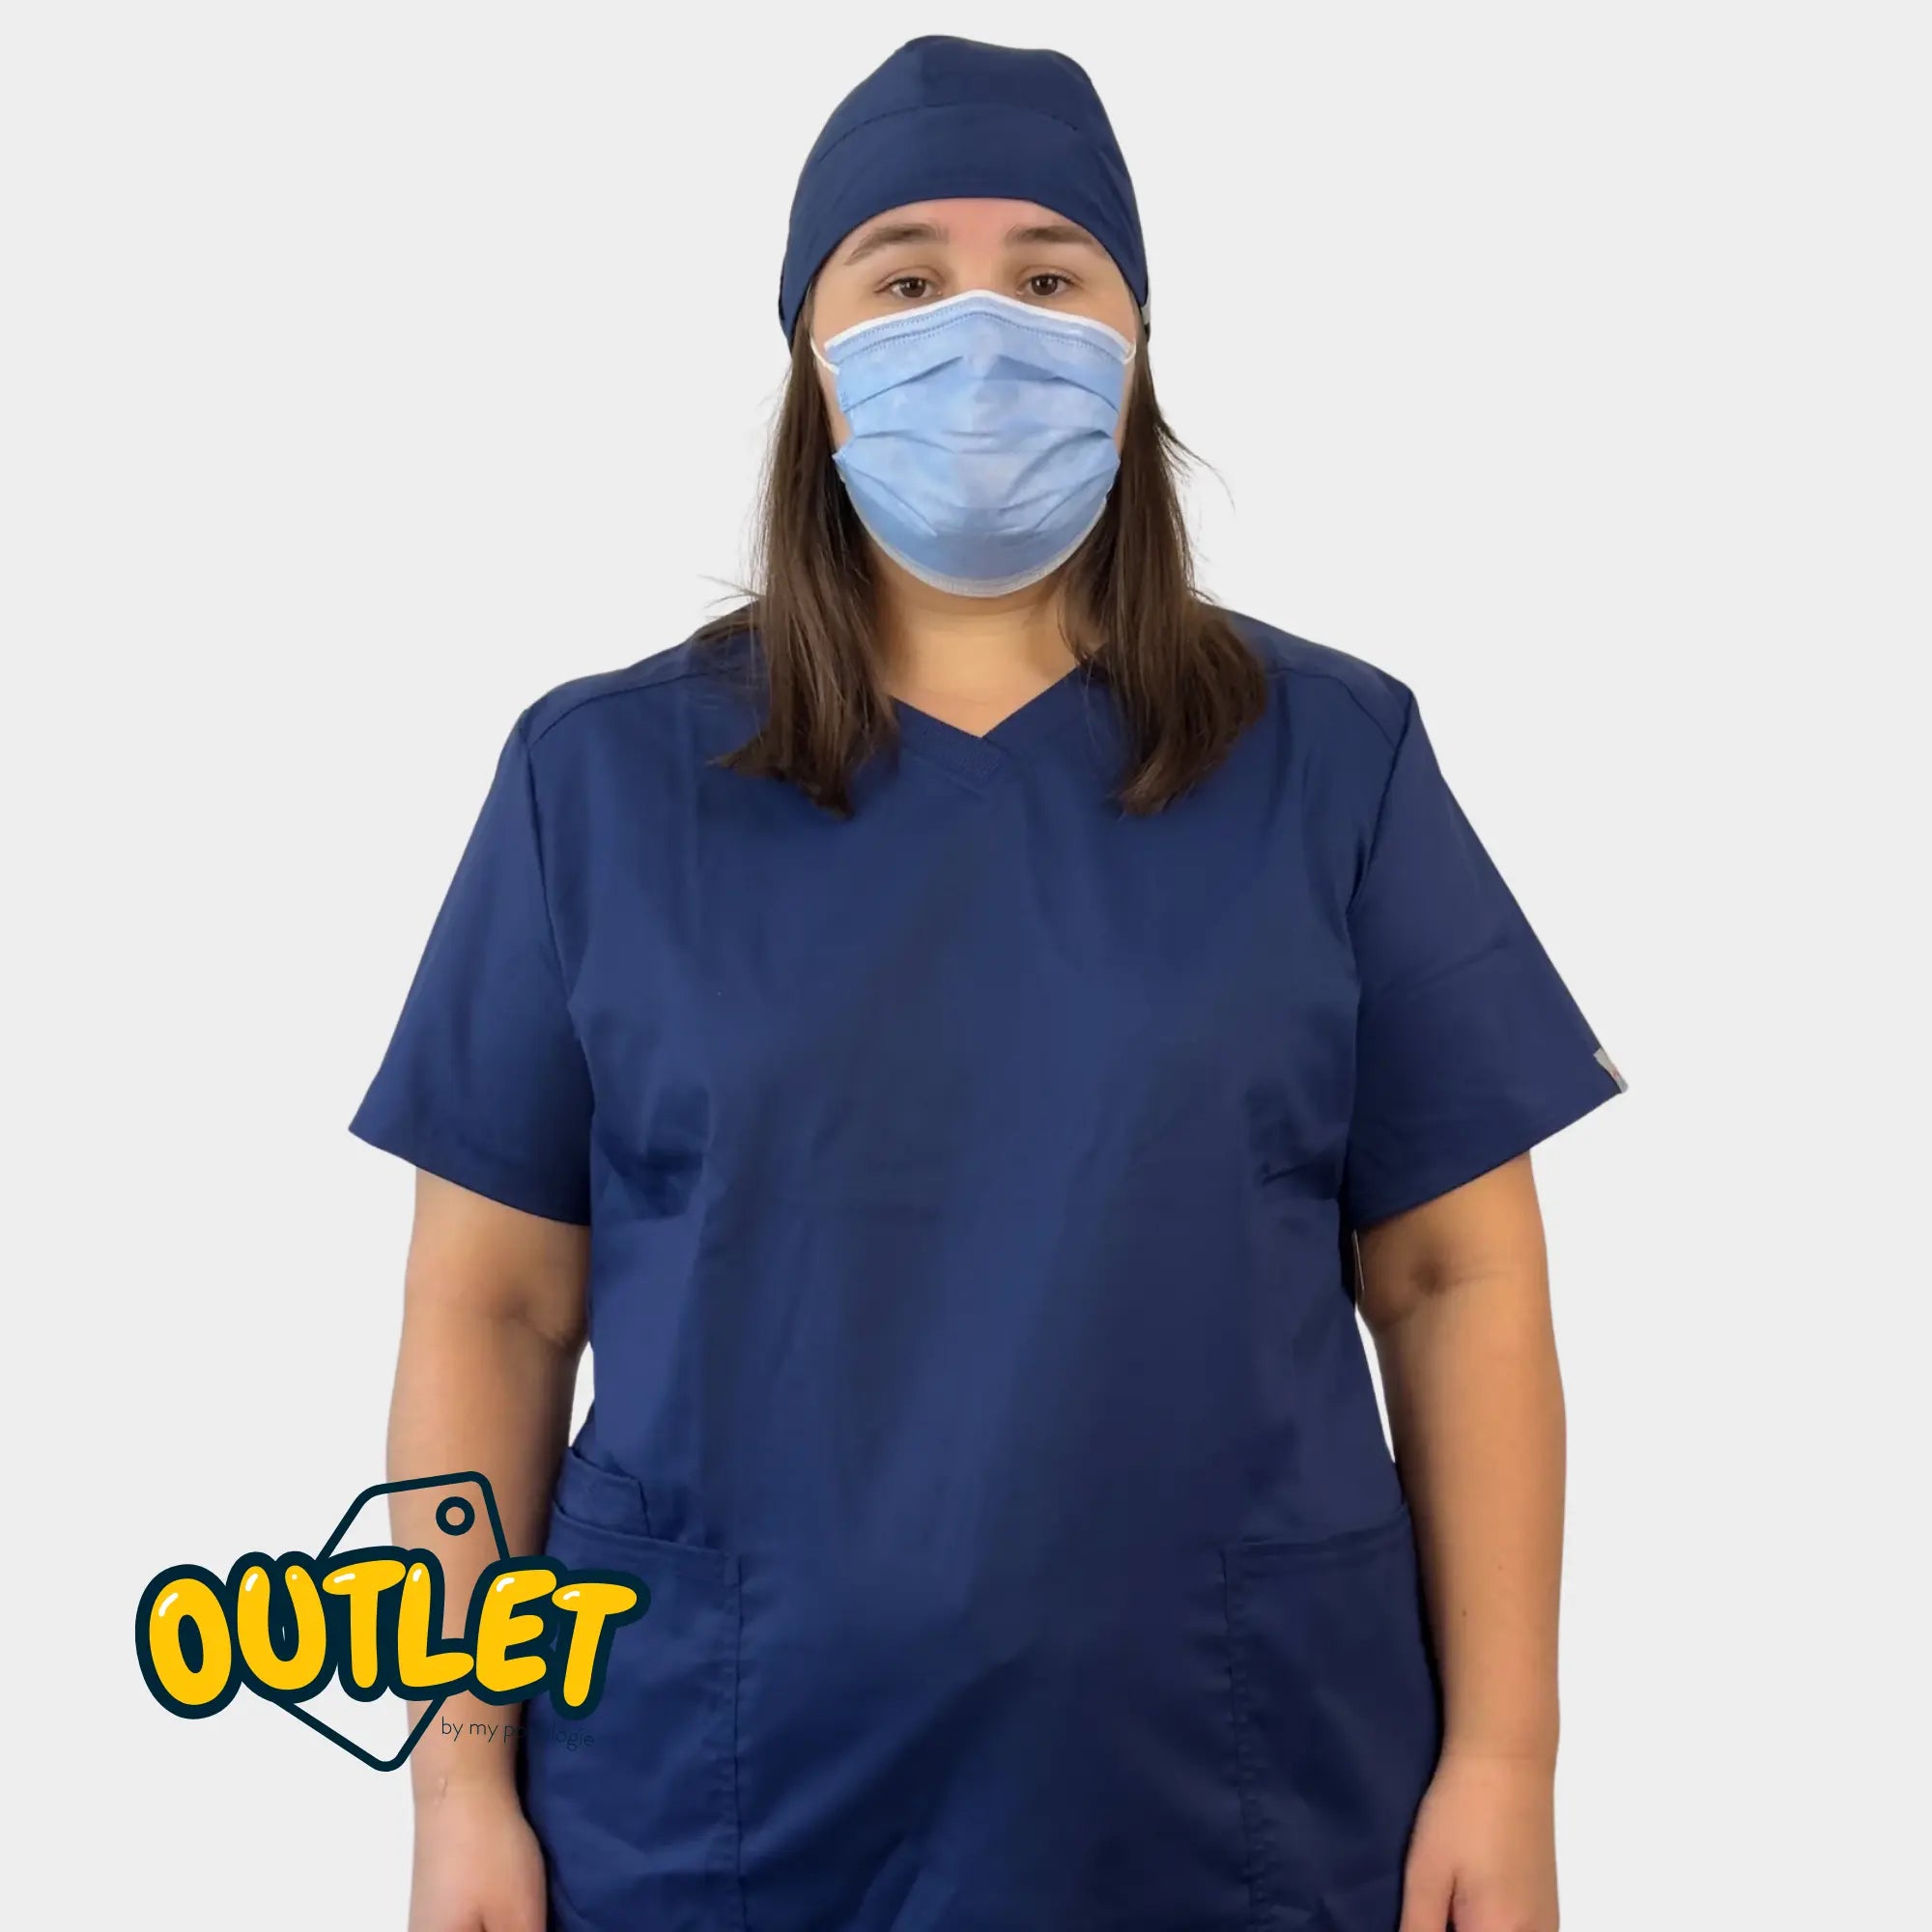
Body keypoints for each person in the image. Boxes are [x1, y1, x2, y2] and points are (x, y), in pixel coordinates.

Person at [350, 34, 1626, 1932]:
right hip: (717, 1797)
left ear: (1134, 344)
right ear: (813, 352)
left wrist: (1506, 1760)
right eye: (904, 280)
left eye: (1048, 277)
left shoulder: (1331, 763)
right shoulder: (597, 784)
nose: (981, 329)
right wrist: (458, 1780)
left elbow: (1458, 1281)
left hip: (1229, 1789)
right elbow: (494, 1308)